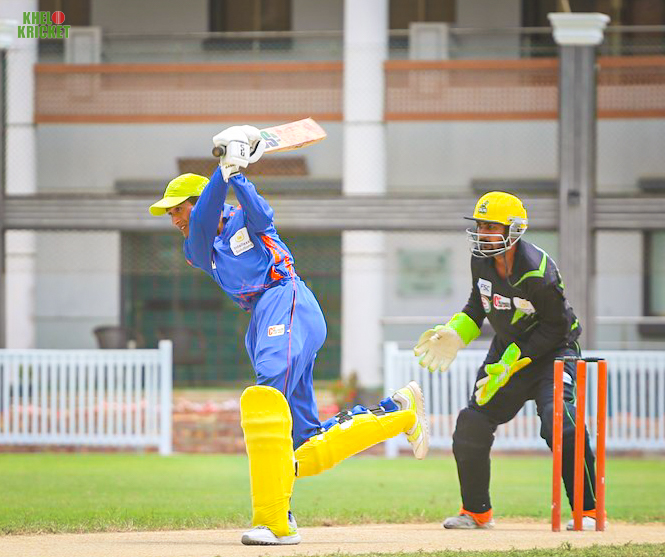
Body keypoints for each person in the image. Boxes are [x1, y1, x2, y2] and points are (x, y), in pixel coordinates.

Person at [149, 125, 429, 546]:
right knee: (304, 445)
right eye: (169, 213)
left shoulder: (242, 216)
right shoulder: (197, 246)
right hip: (263, 315)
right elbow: (204, 219)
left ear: (197, 199)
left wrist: (235, 175)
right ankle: (400, 412)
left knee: (266, 395)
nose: (173, 219)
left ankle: (275, 520)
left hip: (287, 297)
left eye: (176, 209)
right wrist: (224, 171)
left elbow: (263, 216)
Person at [414, 191, 601, 531]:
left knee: (561, 422)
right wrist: (457, 331)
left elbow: (557, 327)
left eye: (491, 227)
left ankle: (587, 511)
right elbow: (478, 303)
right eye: (480, 226)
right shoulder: (481, 259)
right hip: (507, 351)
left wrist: (516, 360)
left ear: (513, 230)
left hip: (553, 353)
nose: (482, 233)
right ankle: (476, 512)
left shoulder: (538, 272)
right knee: (471, 423)